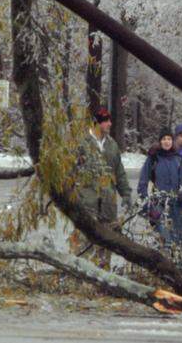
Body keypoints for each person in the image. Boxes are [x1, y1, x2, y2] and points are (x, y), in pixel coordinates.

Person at [73, 107, 133, 268]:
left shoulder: (112, 145)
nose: (110, 124)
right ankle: (82, 271)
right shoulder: (81, 143)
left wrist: (126, 193)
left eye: (109, 120)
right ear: (96, 123)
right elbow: (70, 171)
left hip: (108, 201)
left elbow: (119, 171)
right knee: (85, 237)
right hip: (87, 201)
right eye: (106, 121)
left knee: (107, 239)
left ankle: (103, 273)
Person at [137, 128, 182, 254]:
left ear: (172, 141)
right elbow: (143, 181)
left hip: (177, 204)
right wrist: (147, 204)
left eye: (169, 139)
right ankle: (163, 264)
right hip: (159, 205)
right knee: (164, 239)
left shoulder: (178, 159)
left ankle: (179, 266)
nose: (167, 142)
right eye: (164, 139)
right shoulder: (153, 158)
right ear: (160, 142)